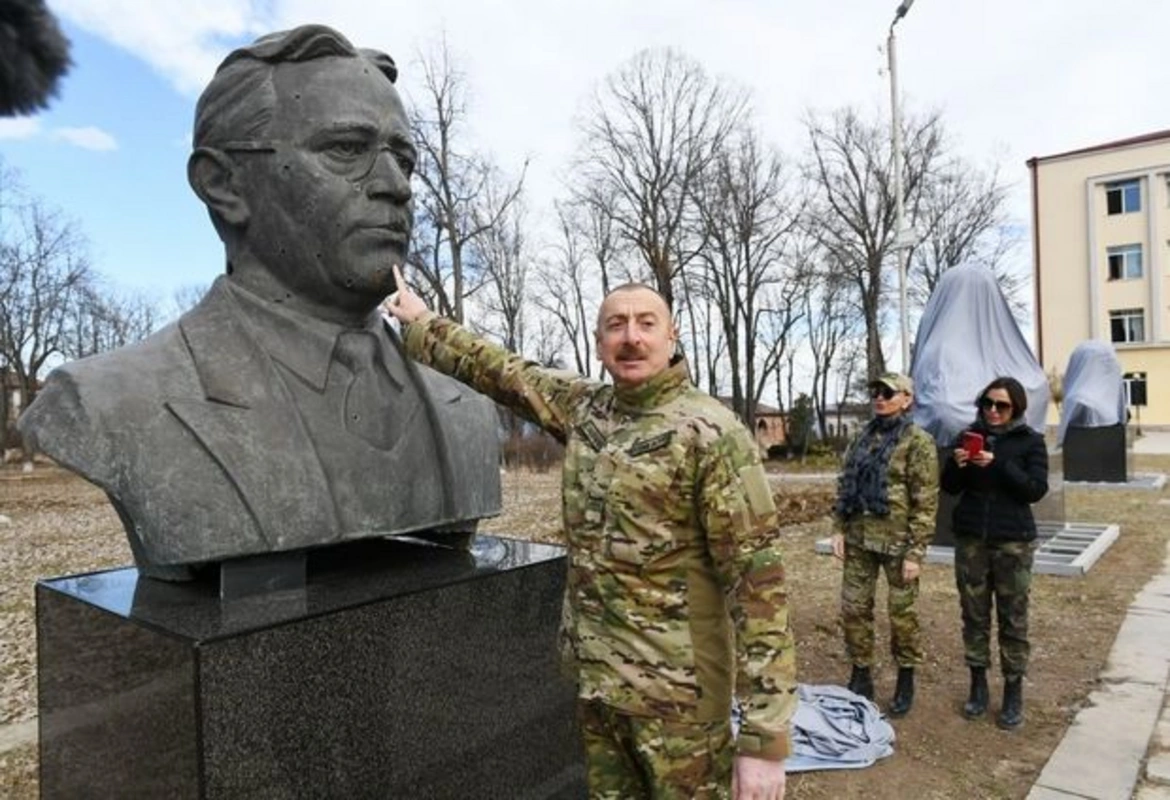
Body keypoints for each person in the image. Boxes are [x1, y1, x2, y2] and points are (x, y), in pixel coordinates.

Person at [17, 25, 500, 580]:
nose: (398, 186)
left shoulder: (466, 406)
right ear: (224, 184)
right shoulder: (107, 400)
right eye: (346, 149)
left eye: (405, 160)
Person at [383, 265, 796, 799]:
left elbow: (759, 589)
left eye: (647, 323)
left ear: (672, 338)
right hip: (599, 691)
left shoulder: (712, 434)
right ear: (599, 343)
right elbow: (503, 372)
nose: (631, 337)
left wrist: (764, 741)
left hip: (679, 708)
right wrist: (421, 322)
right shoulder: (587, 410)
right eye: (616, 325)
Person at [941, 376, 1048, 730]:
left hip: (1012, 541)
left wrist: (999, 463)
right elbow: (950, 487)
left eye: (1001, 405)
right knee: (974, 616)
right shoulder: (968, 436)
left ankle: (1013, 691)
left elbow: (1035, 490)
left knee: (1013, 619)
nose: (992, 411)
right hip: (972, 539)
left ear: (1015, 407)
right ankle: (978, 685)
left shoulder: (1030, 442)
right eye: (987, 403)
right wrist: (957, 463)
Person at [830, 373, 938, 718]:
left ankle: (906, 678)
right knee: (854, 609)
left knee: (901, 615)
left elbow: (926, 500)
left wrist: (916, 552)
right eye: (875, 392)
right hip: (860, 538)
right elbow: (845, 483)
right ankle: (861, 674)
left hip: (898, 543)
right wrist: (839, 528)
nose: (879, 398)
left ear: (906, 399)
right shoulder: (861, 437)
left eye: (888, 392)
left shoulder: (918, 441)